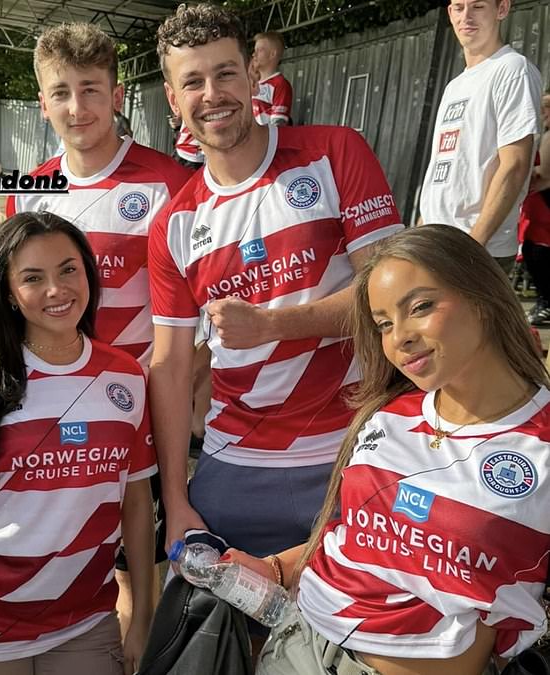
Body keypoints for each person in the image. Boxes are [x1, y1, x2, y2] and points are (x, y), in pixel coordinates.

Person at [223, 224, 550, 675]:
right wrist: (277, 568)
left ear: (482, 296)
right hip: (297, 651)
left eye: (420, 307)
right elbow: (354, 538)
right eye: (383, 324)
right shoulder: (386, 414)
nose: (400, 338)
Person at [149, 2, 403, 565]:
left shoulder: (335, 152)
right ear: (173, 99)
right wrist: (175, 497)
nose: (212, 93)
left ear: (254, 76)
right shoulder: (175, 223)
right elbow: (167, 367)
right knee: (220, 646)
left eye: (225, 73)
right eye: (193, 81)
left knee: (346, 645)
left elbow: (392, 298)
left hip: (352, 453)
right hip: (232, 467)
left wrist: (271, 325)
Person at [6, 20, 191, 639]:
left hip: (142, 404)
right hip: (55, 411)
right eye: (61, 92)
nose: (76, 107)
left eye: (90, 89)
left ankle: (142, 638)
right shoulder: (29, 192)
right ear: (43, 103)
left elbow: (197, 299)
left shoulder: (170, 182)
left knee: (147, 550)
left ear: (117, 96)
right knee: (82, 551)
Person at [0, 211, 157, 675]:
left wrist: (142, 613)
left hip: (85, 622)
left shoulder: (126, 374)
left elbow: (138, 500)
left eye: (68, 269)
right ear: (5, 292)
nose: (57, 289)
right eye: (32, 277)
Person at [419, 0, 542, 273]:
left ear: (502, 9)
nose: (467, 17)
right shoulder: (455, 86)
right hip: (436, 242)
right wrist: (421, 229)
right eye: (459, 8)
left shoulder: (512, 70)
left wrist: (475, 244)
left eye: (478, 7)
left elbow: (515, 166)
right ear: (450, 14)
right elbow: (443, 170)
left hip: (476, 249)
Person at [520, 89, 550, 325]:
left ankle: (546, 303)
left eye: (548, 106)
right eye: (542, 106)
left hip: (544, 208)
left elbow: (541, 176)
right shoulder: (543, 134)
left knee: (537, 253)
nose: (544, 111)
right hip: (538, 208)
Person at [251, 32, 293, 126]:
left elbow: (278, 124)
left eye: (259, 50)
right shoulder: (252, 83)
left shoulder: (280, 84)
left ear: (272, 54)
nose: (254, 54)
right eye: (254, 50)